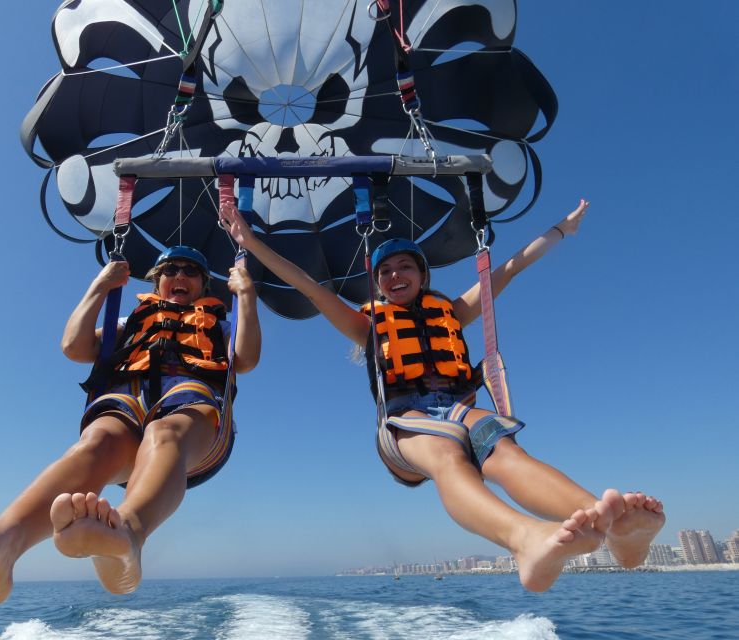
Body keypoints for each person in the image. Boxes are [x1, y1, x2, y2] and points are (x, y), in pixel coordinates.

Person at [220, 199, 664, 592]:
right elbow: (306, 283)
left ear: (423, 275)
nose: (396, 275)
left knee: (506, 452)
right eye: (386, 271)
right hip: (405, 424)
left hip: (459, 407)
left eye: (405, 267)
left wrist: (562, 230)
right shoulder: (368, 324)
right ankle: (524, 539)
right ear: (378, 284)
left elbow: (508, 269)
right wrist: (248, 240)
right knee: (449, 457)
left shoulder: (450, 312)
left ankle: (618, 529)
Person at [0, 246, 261, 605]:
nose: (180, 276)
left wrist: (246, 293)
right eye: (170, 270)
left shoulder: (222, 325)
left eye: (191, 271)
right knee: (96, 444)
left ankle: (128, 537)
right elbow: (73, 347)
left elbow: (245, 358)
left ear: (203, 285)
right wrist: (100, 285)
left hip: (192, 413)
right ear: (157, 282)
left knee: (164, 432)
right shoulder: (130, 324)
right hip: (128, 404)